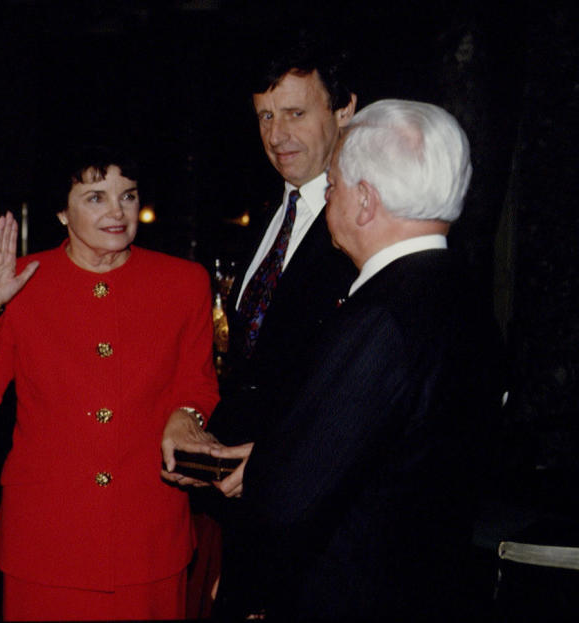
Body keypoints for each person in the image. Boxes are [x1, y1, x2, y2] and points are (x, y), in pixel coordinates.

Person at [203, 99, 498, 619]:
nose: (329, 198)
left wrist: (251, 591)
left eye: (334, 186)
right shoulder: (463, 296)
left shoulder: (380, 317)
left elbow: (292, 501)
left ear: (365, 201)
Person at [0, 147, 220, 621]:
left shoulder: (183, 282)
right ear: (61, 211)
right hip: (46, 541)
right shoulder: (20, 280)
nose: (117, 211)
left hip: (148, 540)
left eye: (127, 196)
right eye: (95, 197)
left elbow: (198, 385)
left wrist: (186, 416)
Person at [197, 41, 360, 615]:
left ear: (344, 111)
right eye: (266, 115)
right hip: (246, 518)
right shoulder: (266, 213)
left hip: (318, 528)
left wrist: (273, 467)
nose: (277, 133)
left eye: (296, 112)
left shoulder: (366, 223)